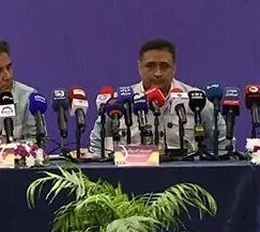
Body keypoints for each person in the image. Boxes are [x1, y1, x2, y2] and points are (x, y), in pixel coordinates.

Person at [90, 38, 222, 156]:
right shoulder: (120, 102)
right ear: (139, 67)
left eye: (164, 66)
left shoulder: (195, 99)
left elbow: (222, 141)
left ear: (174, 69)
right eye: (150, 66)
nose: (158, 73)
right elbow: (97, 144)